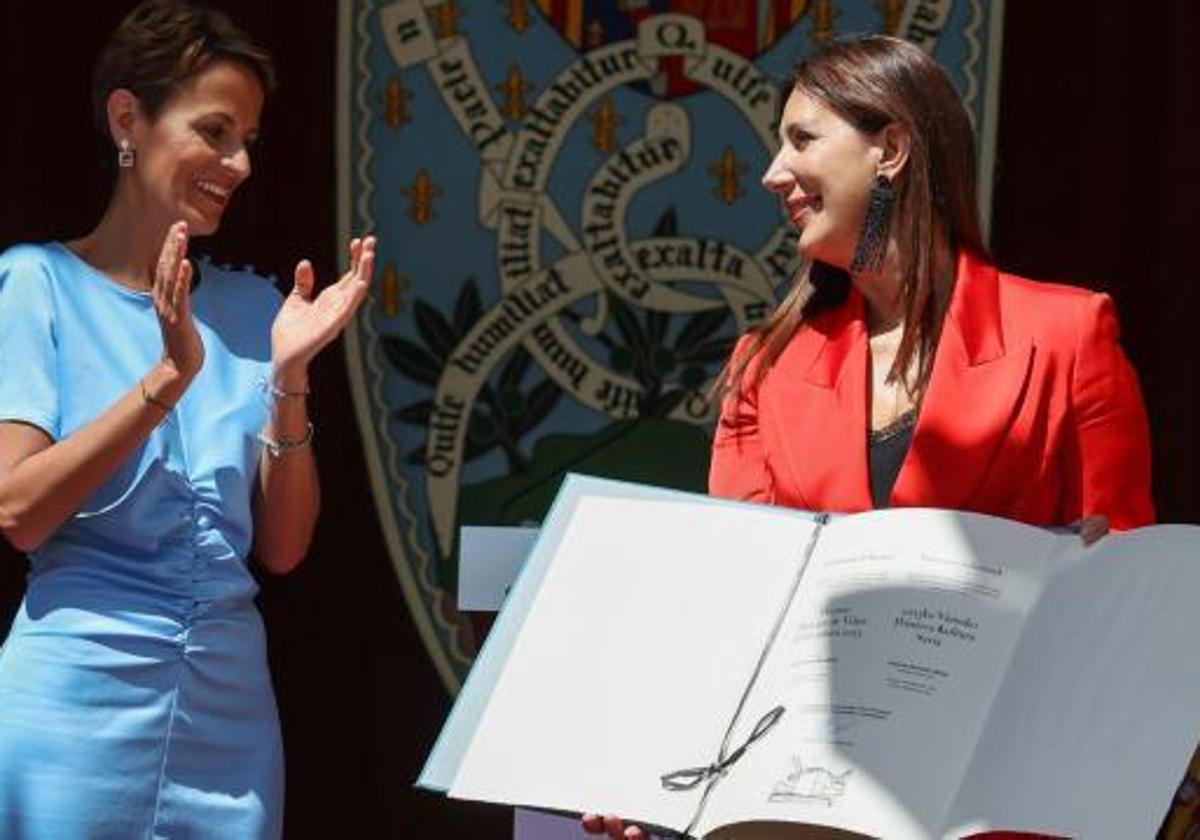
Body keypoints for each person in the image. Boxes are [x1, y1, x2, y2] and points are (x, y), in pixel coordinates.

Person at [584, 34, 1153, 840]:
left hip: (998, 814)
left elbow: (1126, 611)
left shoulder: (1066, 335)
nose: (773, 173)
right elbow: (734, 615)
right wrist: (653, 768)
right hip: (807, 812)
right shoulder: (764, 368)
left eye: (801, 140)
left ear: (890, 148)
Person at [0, 1, 374, 836]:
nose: (239, 162)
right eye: (215, 131)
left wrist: (288, 376)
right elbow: (20, 512)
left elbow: (282, 547)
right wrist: (167, 381)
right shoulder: (36, 284)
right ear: (128, 119)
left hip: (230, 719)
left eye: (250, 140)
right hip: (72, 708)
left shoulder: (254, 307)